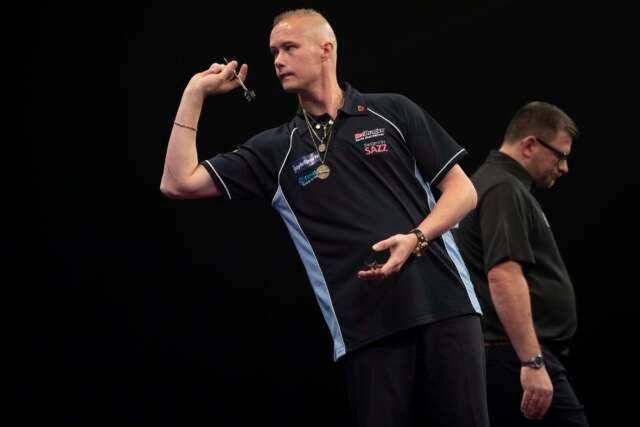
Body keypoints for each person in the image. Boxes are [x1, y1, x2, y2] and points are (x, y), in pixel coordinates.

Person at [160, 8, 489, 427]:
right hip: (365, 330)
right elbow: (177, 182)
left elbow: (464, 192)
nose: (277, 60)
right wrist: (194, 93)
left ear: (325, 50)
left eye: (289, 48)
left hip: (446, 308)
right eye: (274, 51)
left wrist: (417, 238)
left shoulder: (392, 111)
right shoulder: (276, 150)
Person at [454, 101, 589, 426]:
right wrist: (532, 363)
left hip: (505, 352)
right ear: (530, 144)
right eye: (560, 155)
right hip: (514, 354)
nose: (564, 167)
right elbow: (503, 275)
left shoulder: (492, 184)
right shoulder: (503, 188)